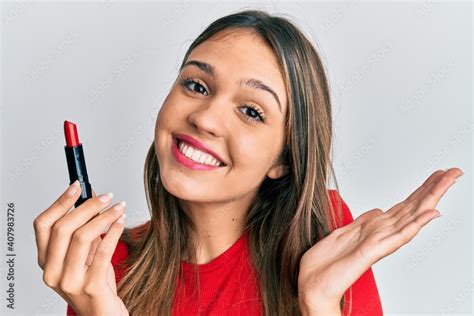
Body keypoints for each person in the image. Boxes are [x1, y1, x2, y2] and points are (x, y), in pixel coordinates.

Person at [33, 9, 463, 316]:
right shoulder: (109, 267)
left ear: (284, 159)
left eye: (252, 111)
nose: (204, 117)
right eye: (196, 85)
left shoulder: (324, 234)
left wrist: (320, 304)